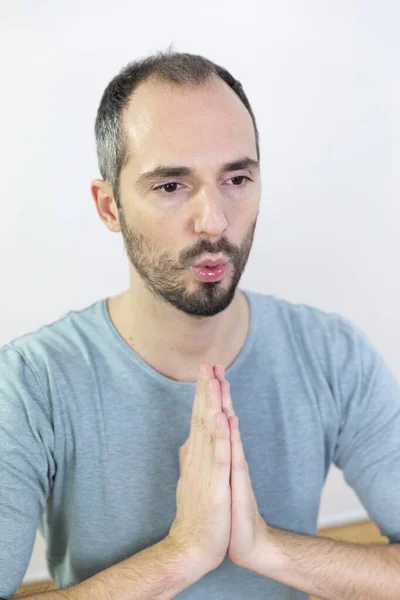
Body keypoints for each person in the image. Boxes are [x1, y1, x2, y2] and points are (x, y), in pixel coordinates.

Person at [1, 48, 400, 600]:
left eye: (236, 178)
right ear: (109, 207)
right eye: (171, 186)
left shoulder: (333, 355)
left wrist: (264, 547)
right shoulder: (28, 385)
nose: (214, 221)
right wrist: (181, 554)